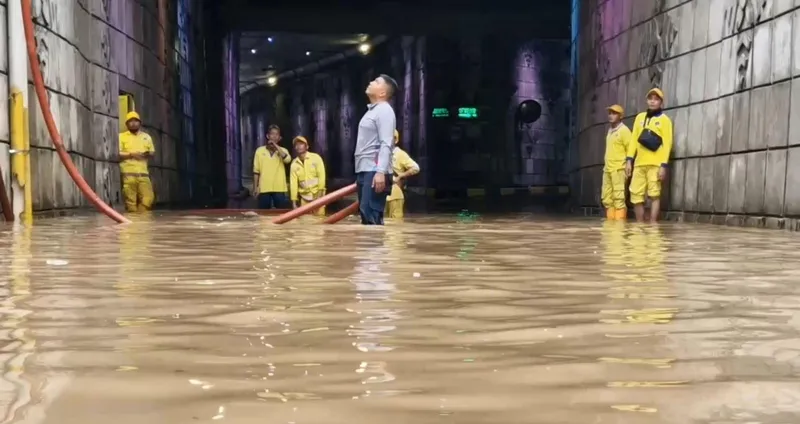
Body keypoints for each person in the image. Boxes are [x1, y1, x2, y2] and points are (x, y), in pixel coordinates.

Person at [354, 74, 398, 225]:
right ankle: (369, 247)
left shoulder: (384, 111)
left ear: (382, 93)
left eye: (376, 81)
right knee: (366, 215)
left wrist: (381, 172)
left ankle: (375, 247)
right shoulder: (372, 111)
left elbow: (386, 142)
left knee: (371, 215)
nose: (371, 82)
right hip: (365, 169)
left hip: (374, 171)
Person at [625, 88, 673, 222]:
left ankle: (653, 225)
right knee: (635, 194)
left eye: (656, 99)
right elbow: (634, 139)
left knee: (654, 194)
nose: (652, 102)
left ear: (661, 102)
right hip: (640, 163)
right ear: (647, 101)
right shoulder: (640, 118)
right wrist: (629, 160)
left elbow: (667, 143)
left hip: (655, 164)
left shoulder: (665, 120)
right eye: (650, 99)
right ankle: (639, 224)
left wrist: (663, 165)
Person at [119, 111, 155, 212]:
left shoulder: (146, 137)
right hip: (128, 175)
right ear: (127, 124)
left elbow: (152, 152)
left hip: (143, 174)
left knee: (148, 199)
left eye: (136, 121)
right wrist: (131, 154)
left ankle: (140, 218)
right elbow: (117, 153)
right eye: (130, 121)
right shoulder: (121, 137)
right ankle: (135, 224)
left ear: (140, 123)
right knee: (130, 202)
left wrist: (145, 154)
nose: (133, 123)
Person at [602, 104, 632, 220]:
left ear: (620, 116)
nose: (611, 115)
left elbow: (630, 149)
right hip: (608, 169)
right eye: (610, 113)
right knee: (607, 198)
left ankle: (619, 226)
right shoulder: (610, 130)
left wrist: (629, 164)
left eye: (614, 113)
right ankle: (610, 225)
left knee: (619, 198)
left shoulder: (624, 131)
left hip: (619, 169)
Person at [253, 125, 291, 209]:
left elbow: (287, 160)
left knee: (280, 214)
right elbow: (256, 171)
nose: (274, 136)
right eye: (272, 134)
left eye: (276, 134)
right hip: (264, 188)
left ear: (279, 138)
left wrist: (276, 146)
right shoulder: (259, 151)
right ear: (267, 136)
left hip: (279, 187)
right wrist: (255, 187)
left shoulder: (283, 151)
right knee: (263, 215)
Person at [385, 129, 420, 219]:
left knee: (395, 228)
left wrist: (401, 175)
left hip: (395, 194)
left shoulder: (400, 154)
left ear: (396, 140)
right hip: (381, 194)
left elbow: (415, 168)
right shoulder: (380, 154)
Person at [289, 136, 327, 216]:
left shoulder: (316, 158)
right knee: (306, 222)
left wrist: (319, 197)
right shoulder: (294, 164)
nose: (298, 146)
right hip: (304, 198)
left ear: (307, 146)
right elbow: (293, 184)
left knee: (319, 220)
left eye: (301, 144)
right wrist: (294, 203)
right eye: (296, 144)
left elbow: (322, 176)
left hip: (318, 195)